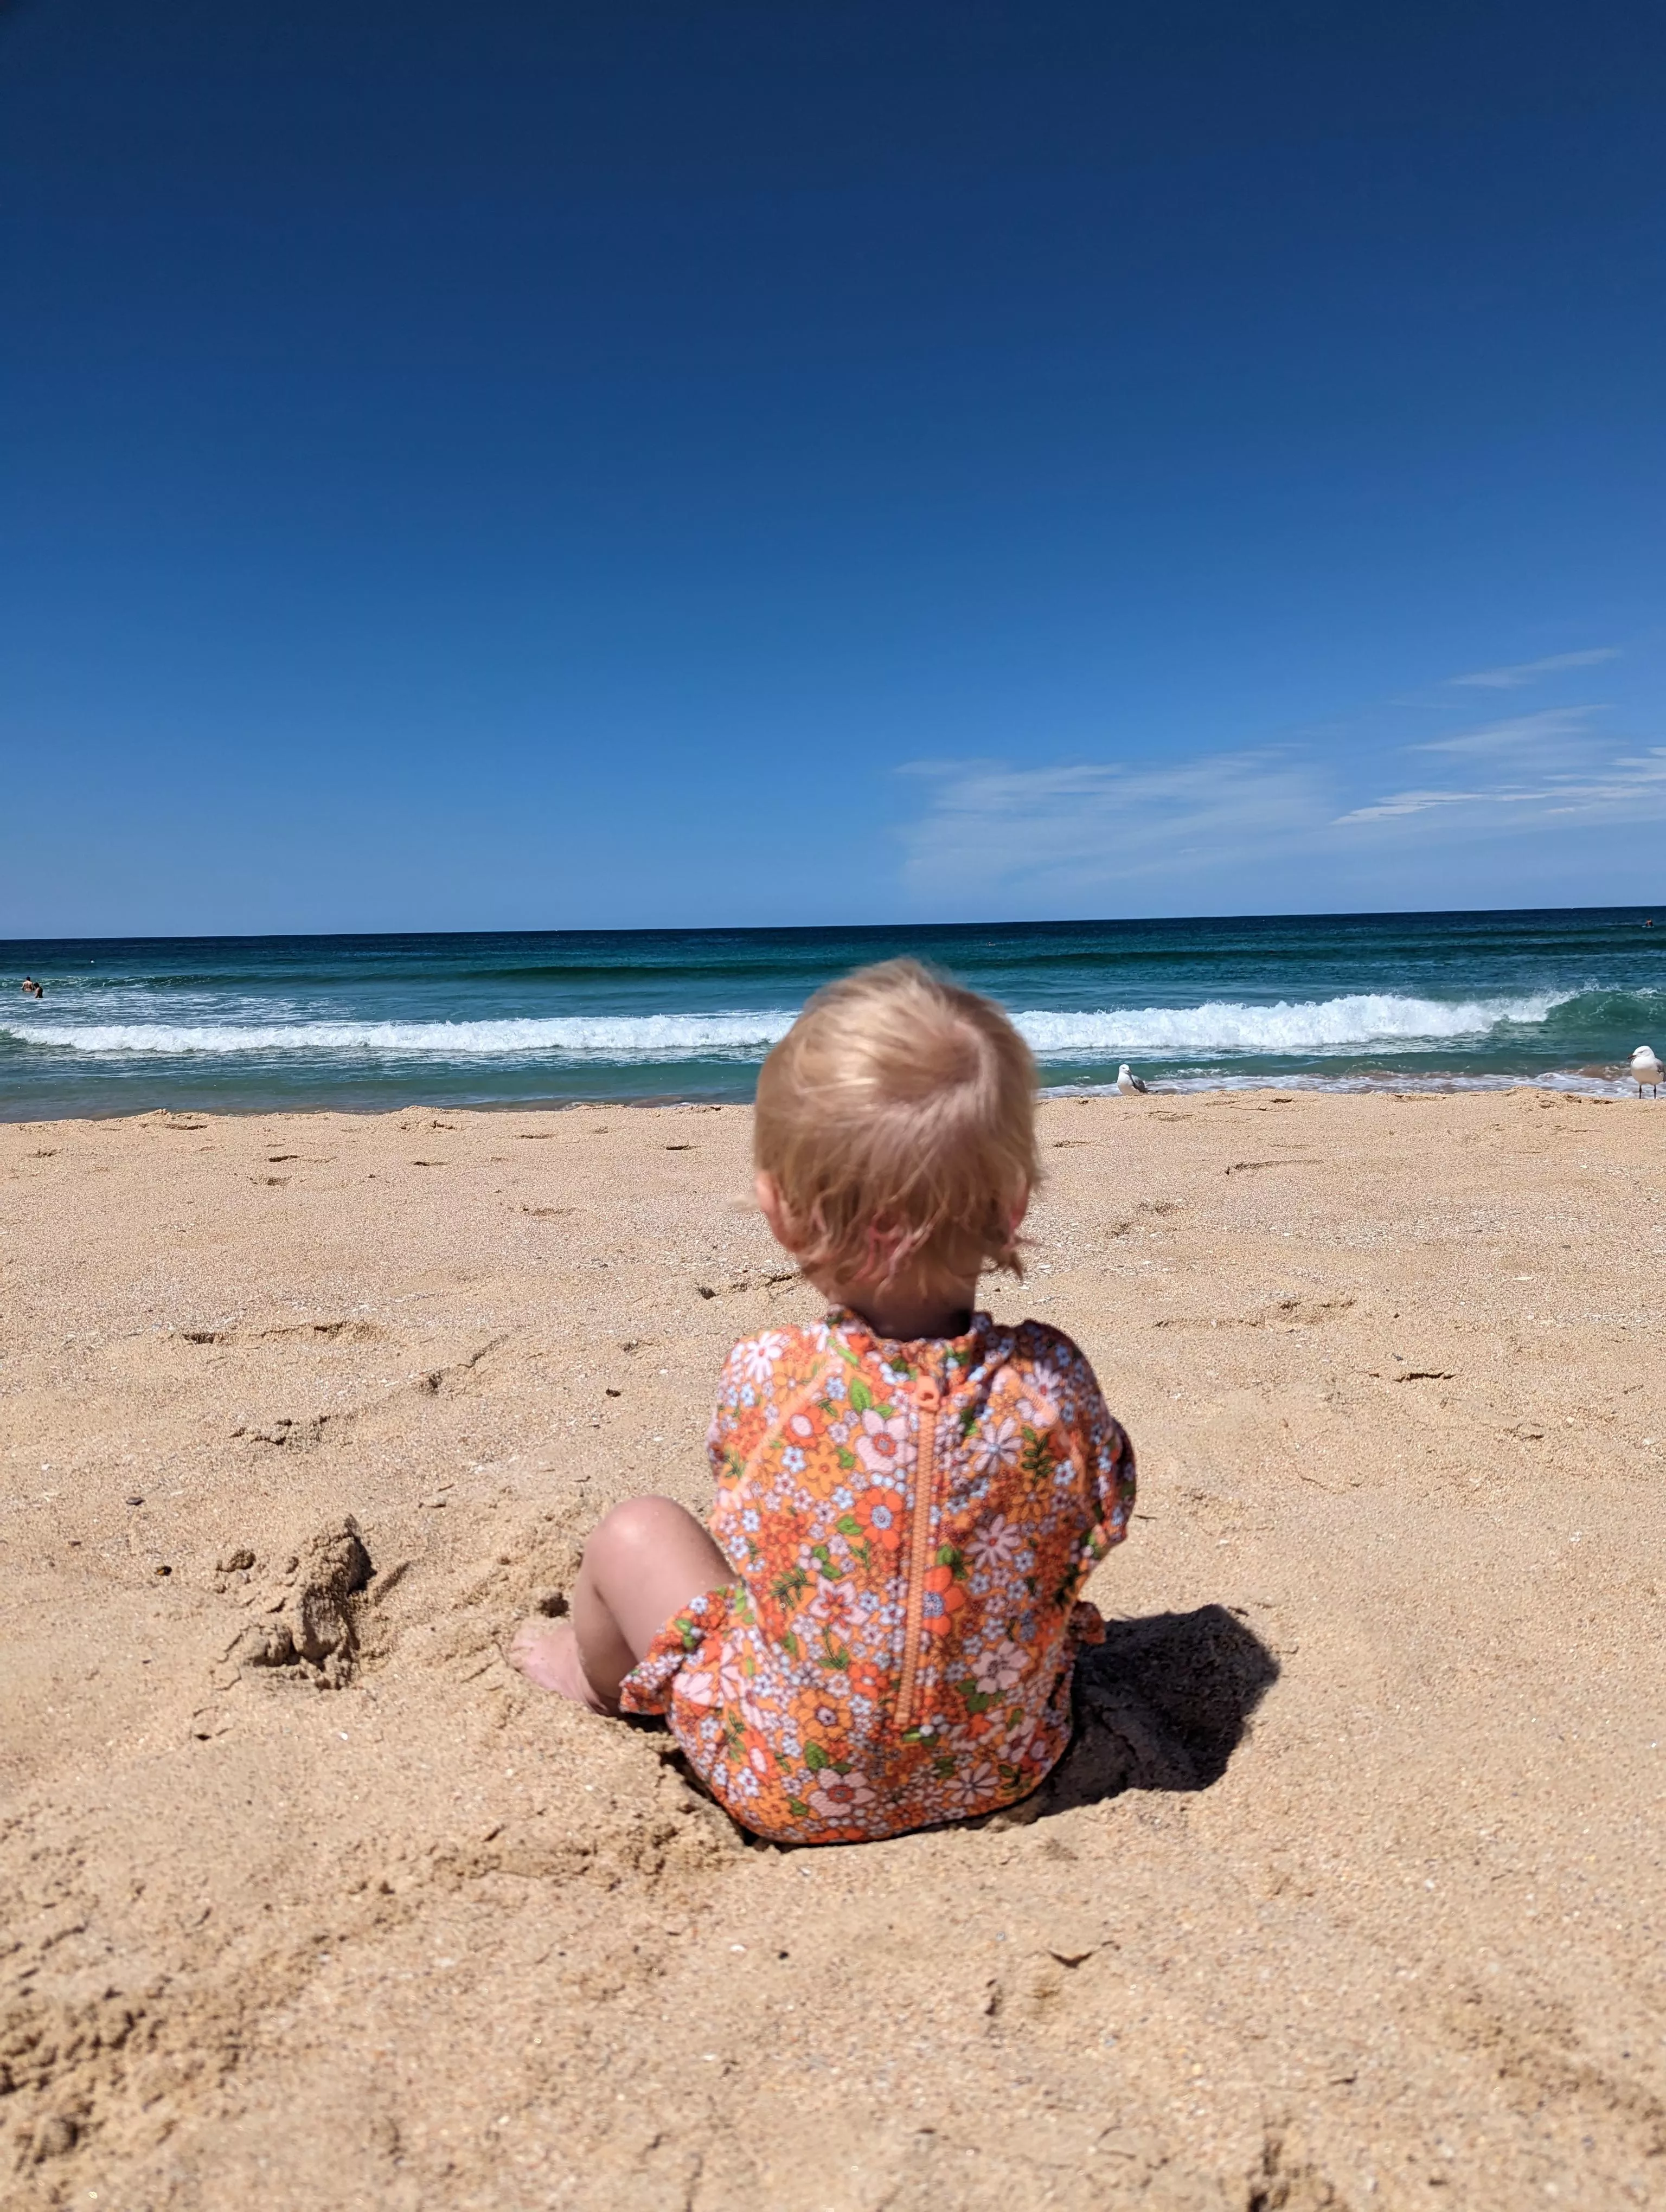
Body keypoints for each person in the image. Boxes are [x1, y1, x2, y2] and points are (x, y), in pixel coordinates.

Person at [509, 959, 1137, 1843]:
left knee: (637, 1531)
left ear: (779, 1211)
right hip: (1006, 1759)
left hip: (789, 1786)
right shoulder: (1057, 1381)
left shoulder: (771, 1373)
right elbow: (1104, 1517)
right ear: (1012, 1207)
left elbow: (752, 1524)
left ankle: (599, 1686)